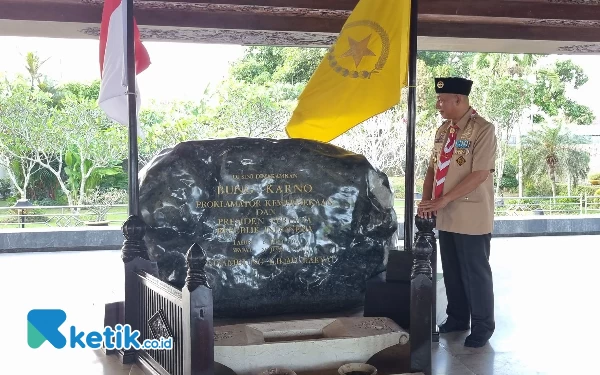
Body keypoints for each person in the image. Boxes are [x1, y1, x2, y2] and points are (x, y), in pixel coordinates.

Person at [417, 77, 497, 348]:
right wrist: (427, 200)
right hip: (445, 212)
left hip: (471, 214)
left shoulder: (483, 129)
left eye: (442, 100)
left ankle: (483, 326)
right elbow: (432, 168)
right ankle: (457, 317)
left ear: (459, 100)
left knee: (475, 271)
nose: (438, 104)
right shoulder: (443, 131)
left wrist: (444, 200)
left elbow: (480, 174)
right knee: (451, 269)